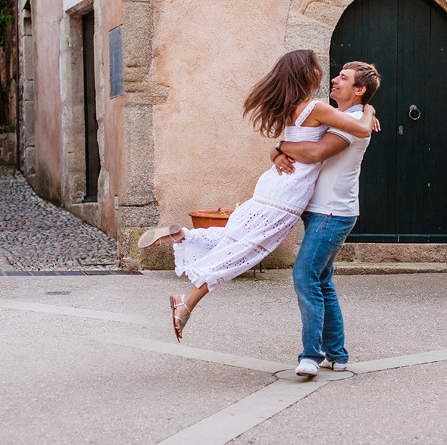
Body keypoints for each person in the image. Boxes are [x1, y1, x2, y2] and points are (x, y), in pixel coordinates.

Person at [137, 49, 376, 342]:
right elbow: (360, 131)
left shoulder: (295, 107)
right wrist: (369, 110)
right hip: (288, 195)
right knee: (245, 249)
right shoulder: (316, 108)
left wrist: (279, 149)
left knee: (236, 237)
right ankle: (186, 300)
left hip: (273, 185)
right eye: (317, 67)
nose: (325, 73)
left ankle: (183, 238)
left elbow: (294, 141)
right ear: (306, 75)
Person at [272, 61, 380, 378]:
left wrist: (280, 147)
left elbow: (316, 152)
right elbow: (302, 147)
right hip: (320, 209)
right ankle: (337, 353)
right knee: (321, 280)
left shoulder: (353, 120)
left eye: (343, 78)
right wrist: (278, 152)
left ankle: (311, 354)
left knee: (304, 274)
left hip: (332, 212)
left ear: (358, 90)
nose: (334, 80)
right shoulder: (346, 117)